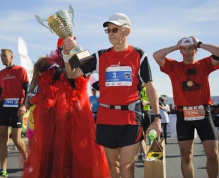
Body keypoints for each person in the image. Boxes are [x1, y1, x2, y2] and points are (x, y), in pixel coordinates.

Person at [62, 13, 162, 178]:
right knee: (114, 170)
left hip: (130, 118)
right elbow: (71, 73)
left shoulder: (139, 54)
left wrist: (157, 117)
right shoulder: (99, 55)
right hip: (106, 118)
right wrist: (67, 53)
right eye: (108, 30)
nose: (110, 34)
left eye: (115, 30)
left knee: (126, 168)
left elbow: (150, 87)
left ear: (126, 32)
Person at [22, 39, 110, 178]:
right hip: (63, 122)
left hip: (69, 121)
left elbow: (46, 95)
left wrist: (30, 101)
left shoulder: (69, 71)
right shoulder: (56, 71)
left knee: (62, 156)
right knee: (67, 157)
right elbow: (47, 95)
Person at [153, 36, 219, 178]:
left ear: (195, 50)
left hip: (204, 113)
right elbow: (156, 55)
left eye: (190, 48)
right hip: (183, 114)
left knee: (213, 155)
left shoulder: (204, 64)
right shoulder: (174, 66)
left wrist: (199, 43)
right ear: (180, 51)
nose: (187, 52)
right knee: (186, 156)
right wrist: (175, 46)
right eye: (184, 49)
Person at [0, 49, 29, 178]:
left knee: (16, 139)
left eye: (4, 56)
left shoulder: (20, 70)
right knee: (3, 138)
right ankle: (3, 171)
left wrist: (24, 105)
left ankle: (27, 157)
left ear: (11, 57)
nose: (2, 58)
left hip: (17, 106)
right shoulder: (1, 73)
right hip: (4, 106)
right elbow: (0, 93)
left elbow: (27, 89)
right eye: (1, 56)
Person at [138, 83, 151, 162]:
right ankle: (143, 153)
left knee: (146, 133)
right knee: (140, 133)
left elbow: (154, 100)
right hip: (138, 112)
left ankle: (141, 152)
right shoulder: (136, 88)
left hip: (146, 112)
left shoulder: (148, 88)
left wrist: (146, 102)